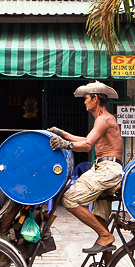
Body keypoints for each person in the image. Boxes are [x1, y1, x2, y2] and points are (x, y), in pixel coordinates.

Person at [48, 81, 124, 254]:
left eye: (86, 98)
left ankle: (105, 235)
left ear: (95, 99)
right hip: (104, 167)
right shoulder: (101, 120)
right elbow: (87, 139)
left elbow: (88, 145)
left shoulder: (104, 119)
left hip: (108, 169)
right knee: (100, 219)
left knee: (69, 199)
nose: (84, 102)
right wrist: (63, 134)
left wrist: (64, 144)